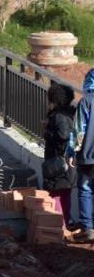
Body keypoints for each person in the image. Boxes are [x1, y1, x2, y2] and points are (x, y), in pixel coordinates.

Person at [44, 82, 77, 227]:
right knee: (65, 192)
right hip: (68, 160)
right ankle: (66, 220)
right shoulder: (71, 113)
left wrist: (47, 131)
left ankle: (59, 224)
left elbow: (63, 135)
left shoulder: (58, 116)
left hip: (58, 160)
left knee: (56, 192)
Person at [75, 70, 94, 241]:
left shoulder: (86, 102)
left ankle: (88, 228)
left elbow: (79, 130)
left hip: (88, 154)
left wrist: (72, 152)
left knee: (86, 189)